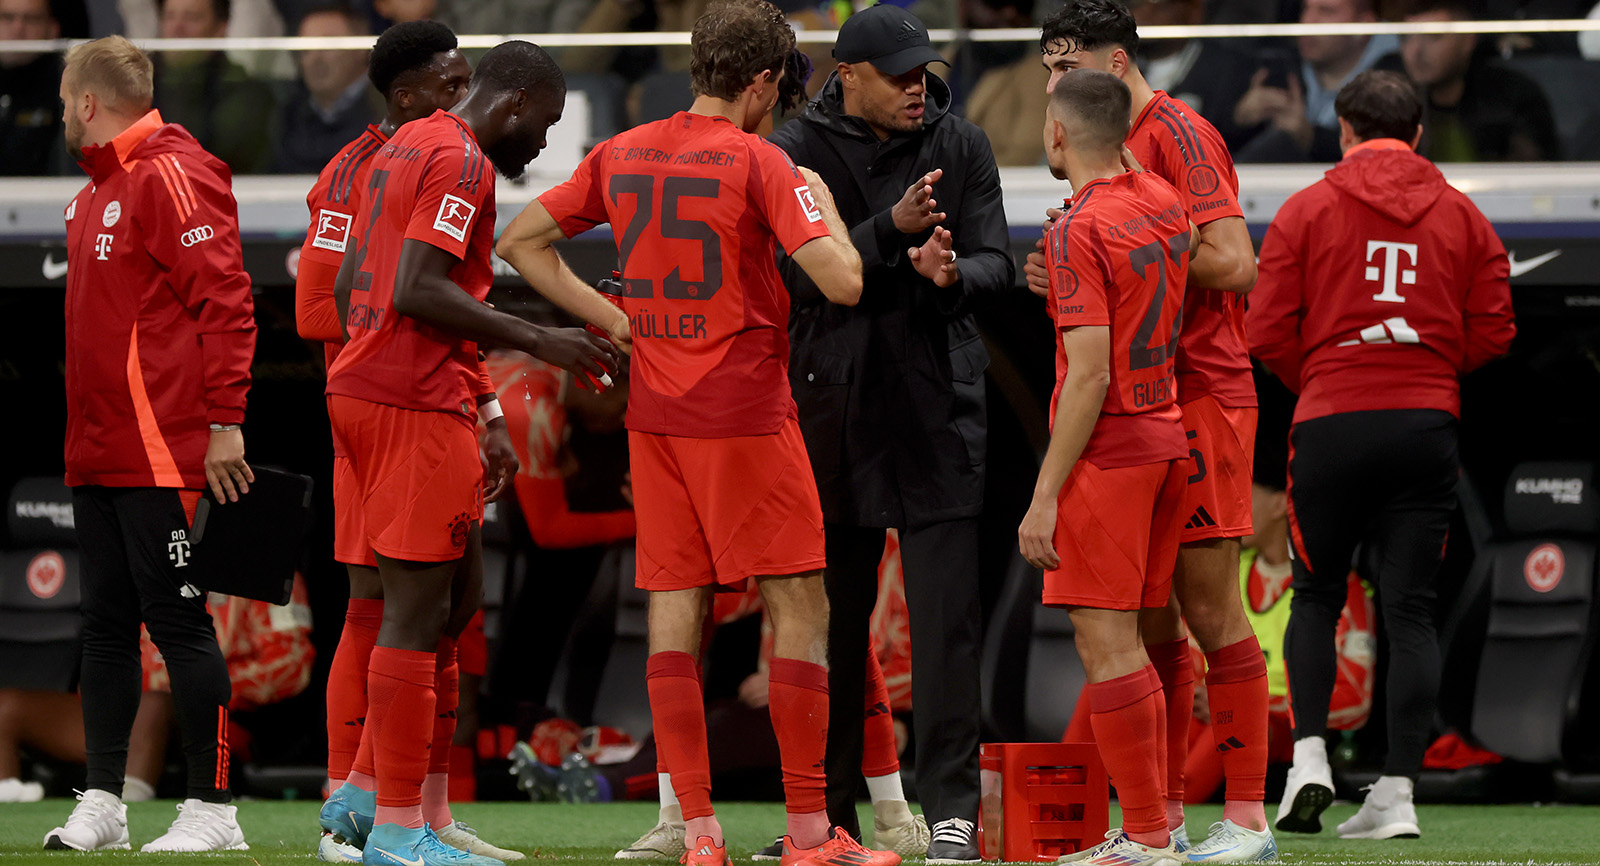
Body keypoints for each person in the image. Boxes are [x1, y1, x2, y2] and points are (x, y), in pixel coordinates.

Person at [494, 3, 881, 865]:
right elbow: (844, 282)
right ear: (762, 82)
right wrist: (823, 206)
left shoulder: (622, 150)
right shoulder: (763, 160)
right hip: (744, 412)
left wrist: (615, 322)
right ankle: (814, 834)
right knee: (801, 610)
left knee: (675, 613)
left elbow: (520, 241)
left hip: (656, 418)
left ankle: (697, 832)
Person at [319, 39, 618, 866]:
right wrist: (540, 338)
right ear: (515, 103)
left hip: (375, 392)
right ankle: (397, 832)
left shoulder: (403, 144)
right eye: (548, 123)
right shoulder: (463, 161)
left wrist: (478, 399)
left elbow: (354, 283)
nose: (546, 143)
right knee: (418, 619)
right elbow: (419, 286)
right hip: (407, 404)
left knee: (441, 609)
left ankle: (374, 798)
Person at [768, 6, 1014, 861]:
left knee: (947, 625)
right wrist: (888, 232)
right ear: (849, 75)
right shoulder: (795, 146)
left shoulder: (963, 141)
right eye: (901, 76)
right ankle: (827, 821)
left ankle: (952, 814)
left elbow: (999, 262)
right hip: (834, 406)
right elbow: (785, 280)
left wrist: (952, 274)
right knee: (831, 626)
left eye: (923, 73)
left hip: (940, 406)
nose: (919, 89)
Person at [1246, 69, 1516, 840]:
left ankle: (1309, 761)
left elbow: (1265, 331)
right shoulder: (1464, 215)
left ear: (1345, 131)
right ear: (1420, 134)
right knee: (1411, 611)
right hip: (1423, 423)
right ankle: (1397, 791)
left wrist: (1327, 376)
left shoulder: (1306, 209)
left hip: (1331, 420)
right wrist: (1425, 369)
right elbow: (1497, 327)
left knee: (1317, 594)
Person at [1033, 2, 1271, 861]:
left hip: (1200, 390)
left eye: (1068, 64)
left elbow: (1237, 263)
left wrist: (1117, 248)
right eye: (1049, 68)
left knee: (1208, 609)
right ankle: (1159, 820)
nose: (1055, 83)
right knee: (1153, 622)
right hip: (1157, 399)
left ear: (1119, 61)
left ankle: (1246, 819)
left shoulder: (1183, 136)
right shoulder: (1108, 171)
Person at [294, 20, 524, 866]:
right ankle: (356, 805)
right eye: (452, 83)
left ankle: (414, 808)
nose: (467, 99)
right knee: (381, 614)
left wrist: (489, 410)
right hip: (383, 406)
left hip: (431, 395)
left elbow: (429, 290)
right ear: (409, 92)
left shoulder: (438, 159)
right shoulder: (352, 171)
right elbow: (320, 309)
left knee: (449, 611)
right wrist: (383, 324)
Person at [51, 34, 255, 853]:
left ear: (89, 104)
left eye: (67, 103)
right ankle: (103, 800)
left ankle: (214, 810)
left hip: (162, 447)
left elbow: (229, 301)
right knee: (102, 627)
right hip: (95, 447)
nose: (62, 114)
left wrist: (225, 421)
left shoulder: (174, 170)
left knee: (179, 624)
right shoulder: (91, 193)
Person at [1018, 68, 1195, 866]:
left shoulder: (1074, 229)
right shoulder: (1162, 198)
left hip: (1112, 453)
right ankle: (1167, 821)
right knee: (1155, 639)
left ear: (1057, 134)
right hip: (1168, 439)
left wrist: (1044, 494)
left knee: (1110, 649)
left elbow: (1088, 373)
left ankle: (1149, 834)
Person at [1231, 0, 1400, 163]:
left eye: (1326, 11)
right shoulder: (1279, 64)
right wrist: (1239, 121)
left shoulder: (1396, 77)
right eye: (1306, 8)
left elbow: (1380, 153)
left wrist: (1309, 138)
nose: (1307, 21)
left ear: (1363, 25)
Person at [1400, 0, 1561, 162]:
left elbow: (1534, 173)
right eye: (1406, 37)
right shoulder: (1394, 98)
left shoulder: (1509, 97)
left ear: (1468, 40)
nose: (1417, 50)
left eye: (1433, 37)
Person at [151, 0, 278, 173]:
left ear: (220, 28)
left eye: (192, 18)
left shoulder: (247, 95)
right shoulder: (134, 86)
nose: (177, 27)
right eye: (169, 16)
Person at [273, 3, 383, 174]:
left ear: (361, 49)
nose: (316, 59)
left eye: (328, 45)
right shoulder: (287, 114)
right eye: (306, 49)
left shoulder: (388, 108)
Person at [1, 0, 69, 175]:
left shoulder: (70, 88)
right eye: (7, 17)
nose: (18, 28)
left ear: (52, 28)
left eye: (31, 19)